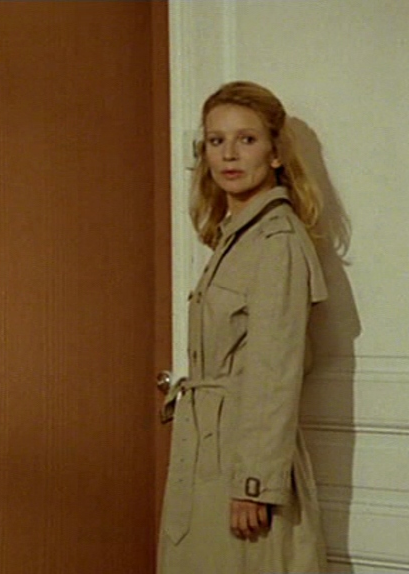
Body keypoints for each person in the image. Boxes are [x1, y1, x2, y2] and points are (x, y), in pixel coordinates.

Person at [158, 81, 328, 573]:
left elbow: (275, 373)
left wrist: (255, 484)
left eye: (246, 139)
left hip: (241, 459)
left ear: (275, 153)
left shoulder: (277, 242)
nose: (229, 154)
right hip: (208, 453)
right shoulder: (236, 238)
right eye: (216, 140)